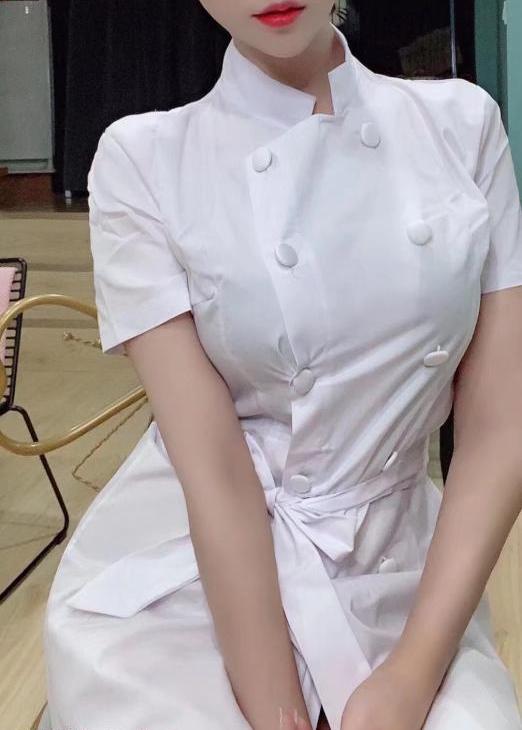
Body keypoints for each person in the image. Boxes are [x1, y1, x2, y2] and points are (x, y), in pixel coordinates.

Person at [43, 1, 522, 729]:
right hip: (197, 574)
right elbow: (213, 466)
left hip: (404, 568)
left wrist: (412, 675)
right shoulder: (144, 160)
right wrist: (275, 707)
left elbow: (500, 426)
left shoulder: (463, 126)